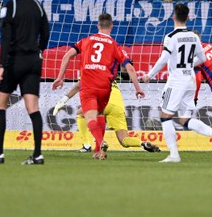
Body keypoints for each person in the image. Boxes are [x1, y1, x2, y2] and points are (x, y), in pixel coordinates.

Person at [52, 13, 145, 160]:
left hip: (88, 85)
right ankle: (98, 151)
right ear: (112, 26)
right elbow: (130, 68)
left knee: (89, 118)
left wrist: (60, 77)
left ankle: (99, 144)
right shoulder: (115, 45)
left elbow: (67, 56)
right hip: (106, 87)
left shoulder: (85, 41)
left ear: (97, 25)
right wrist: (138, 88)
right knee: (100, 115)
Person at [0, 0, 50, 165]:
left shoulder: (8, 7)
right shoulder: (37, 5)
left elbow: (5, 38)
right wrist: (41, 50)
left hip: (14, 61)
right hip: (33, 61)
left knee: (0, 105)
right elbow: (46, 30)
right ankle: (37, 155)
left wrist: (1, 66)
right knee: (33, 108)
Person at [143, 3, 212, 163]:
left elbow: (163, 59)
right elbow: (202, 59)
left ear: (173, 16)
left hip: (176, 81)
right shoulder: (194, 37)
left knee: (165, 116)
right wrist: (188, 65)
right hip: (190, 81)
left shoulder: (171, 37)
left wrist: (150, 74)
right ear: (188, 17)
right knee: (184, 120)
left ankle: (174, 155)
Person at [53, 71, 160, 154]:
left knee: (80, 114)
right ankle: (142, 144)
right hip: (118, 107)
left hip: (105, 101)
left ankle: (87, 145)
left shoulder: (90, 69)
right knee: (124, 140)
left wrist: (63, 100)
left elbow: (78, 86)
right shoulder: (110, 74)